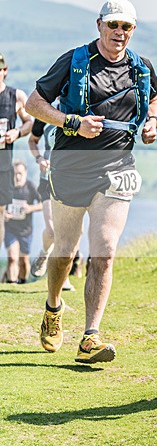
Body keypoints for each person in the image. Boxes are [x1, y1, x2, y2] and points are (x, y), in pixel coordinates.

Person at [26, 0, 157, 364]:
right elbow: (34, 105)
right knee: (65, 251)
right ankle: (53, 308)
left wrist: (152, 124)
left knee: (104, 249)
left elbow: (155, 100)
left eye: (126, 27)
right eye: (113, 25)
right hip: (70, 167)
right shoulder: (74, 61)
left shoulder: (141, 68)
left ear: (133, 30)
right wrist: (73, 123)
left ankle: (91, 336)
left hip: (117, 168)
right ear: (99, 25)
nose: (119, 33)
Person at [28, 119, 75, 291]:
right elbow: (32, 140)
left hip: (72, 181)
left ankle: (64, 277)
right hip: (47, 180)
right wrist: (39, 158)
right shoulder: (44, 113)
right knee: (53, 230)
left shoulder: (76, 110)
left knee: (71, 231)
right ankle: (44, 253)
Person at [0, 52, 34, 257]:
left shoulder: (16, 96)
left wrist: (17, 132)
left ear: (5, 71)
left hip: (3, 166)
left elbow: (30, 122)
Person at [4, 161, 42, 283]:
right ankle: (11, 283)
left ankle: (22, 281)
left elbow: (44, 204)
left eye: (20, 173)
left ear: (25, 173)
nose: (18, 176)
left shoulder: (31, 187)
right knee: (12, 258)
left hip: (26, 231)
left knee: (24, 261)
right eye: (15, 173)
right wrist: (3, 213)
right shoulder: (7, 187)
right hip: (10, 229)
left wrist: (30, 208)